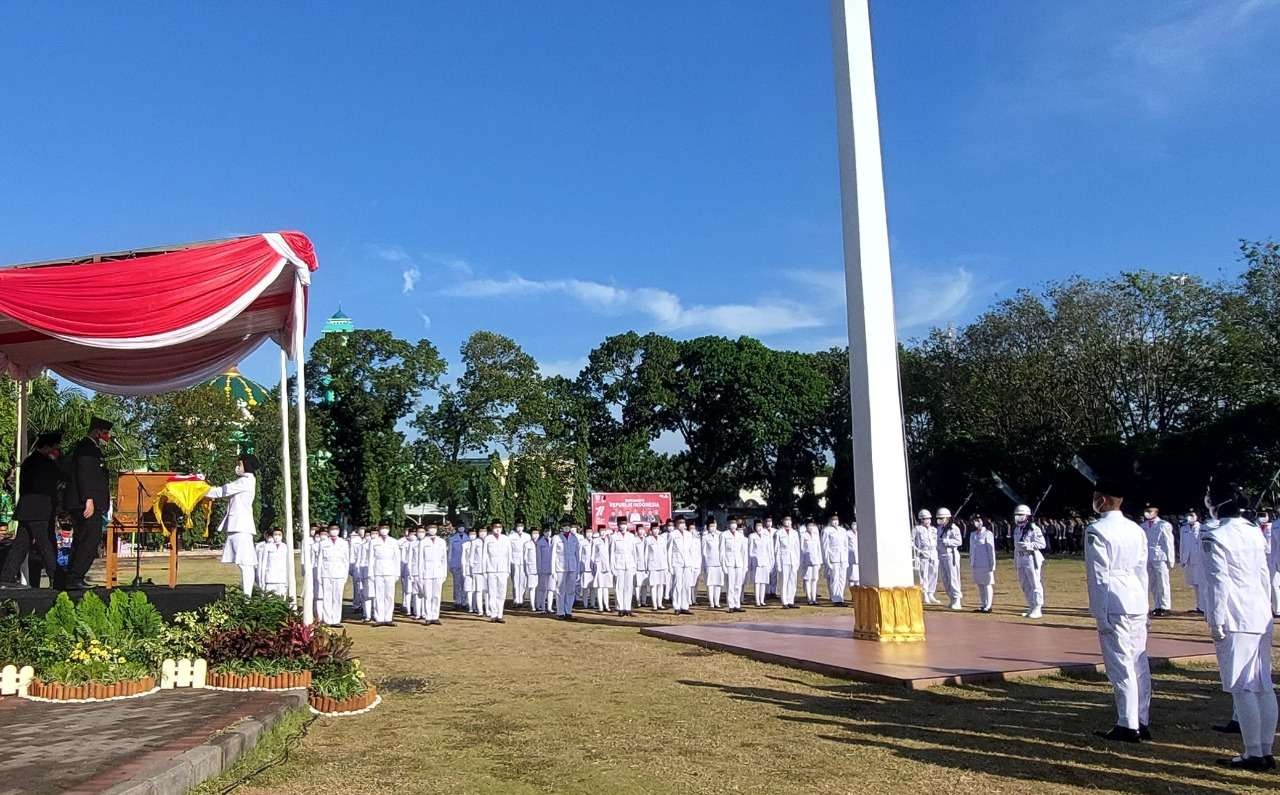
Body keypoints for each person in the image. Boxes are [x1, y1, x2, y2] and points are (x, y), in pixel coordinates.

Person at [1200, 497, 1277, 770]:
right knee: (1262, 684)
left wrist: (1217, 620)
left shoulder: (1217, 535)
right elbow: (1263, 575)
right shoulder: (1253, 532)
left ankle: (1254, 752)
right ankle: (1264, 749)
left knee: (1243, 686)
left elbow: (1219, 582)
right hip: (1258, 612)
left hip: (1236, 615)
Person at [1084, 476, 1151, 744]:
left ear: (1102, 500)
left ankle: (1127, 723)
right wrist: (1145, 606)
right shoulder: (1136, 529)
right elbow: (1142, 571)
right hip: (1135, 599)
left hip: (1113, 601)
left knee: (1120, 665)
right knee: (1138, 664)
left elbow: (1098, 576)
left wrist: (1099, 612)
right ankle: (1141, 719)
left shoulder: (1097, 530)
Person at [0, 431, 66, 590]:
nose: (57, 450)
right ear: (48, 447)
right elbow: (60, 478)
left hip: (26, 509)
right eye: (55, 447)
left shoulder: (29, 461)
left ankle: (6, 578)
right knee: (46, 544)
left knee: (20, 545)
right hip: (40, 511)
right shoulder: (46, 463)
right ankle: (56, 578)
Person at [64, 418, 113, 589]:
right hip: (85, 502)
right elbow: (85, 474)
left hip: (89, 501)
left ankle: (73, 577)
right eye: (105, 433)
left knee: (83, 539)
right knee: (89, 540)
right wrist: (88, 499)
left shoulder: (93, 448)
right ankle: (75, 576)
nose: (108, 436)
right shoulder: (86, 448)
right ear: (97, 432)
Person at [207, 454, 261, 596]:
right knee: (244, 563)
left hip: (241, 526)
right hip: (238, 526)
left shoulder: (245, 481)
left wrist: (200, 489)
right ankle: (247, 595)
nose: (237, 467)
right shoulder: (244, 481)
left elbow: (221, 491)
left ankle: (247, 597)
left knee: (246, 563)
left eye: (240, 464)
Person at [1013, 504, 1046, 619]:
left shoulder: (1034, 528)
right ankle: (1031, 605)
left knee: (1035, 583)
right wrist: (1015, 560)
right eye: (1016, 515)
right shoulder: (1017, 529)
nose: (1018, 517)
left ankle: (1038, 607)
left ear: (1027, 516)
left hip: (1032, 557)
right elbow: (1016, 547)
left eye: (1021, 515)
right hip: (1020, 558)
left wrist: (1029, 545)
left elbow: (1042, 544)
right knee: (1024, 584)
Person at [1142, 504, 1175, 617]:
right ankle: (1157, 605)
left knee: (1163, 582)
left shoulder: (1163, 525)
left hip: (1160, 557)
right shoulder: (1143, 526)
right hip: (1148, 557)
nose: (1147, 513)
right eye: (1146, 510)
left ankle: (1165, 606)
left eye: (1150, 510)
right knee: (1153, 583)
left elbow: (1168, 543)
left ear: (1156, 511)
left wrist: (1171, 559)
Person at [316, 525, 350, 627]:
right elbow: (320, 561)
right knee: (327, 597)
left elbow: (346, 561)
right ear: (329, 531)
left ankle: (336, 620)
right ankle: (327, 620)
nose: (334, 531)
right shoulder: (323, 543)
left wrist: (345, 575)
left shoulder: (343, 543)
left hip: (339, 573)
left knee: (337, 598)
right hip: (326, 573)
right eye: (332, 529)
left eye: (336, 529)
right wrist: (319, 575)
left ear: (339, 531)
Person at [368, 524, 399, 626]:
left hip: (390, 571)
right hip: (378, 570)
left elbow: (397, 558)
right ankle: (379, 618)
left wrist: (397, 573)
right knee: (379, 595)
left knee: (389, 595)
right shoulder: (374, 542)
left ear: (389, 529)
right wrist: (370, 573)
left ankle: (388, 618)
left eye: (386, 528)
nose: (384, 530)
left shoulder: (394, 542)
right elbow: (371, 559)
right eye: (382, 528)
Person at [417, 524, 447, 625]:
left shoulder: (441, 542)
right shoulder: (423, 542)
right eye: (430, 528)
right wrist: (420, 575)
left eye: (434, 528)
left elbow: (444, 559)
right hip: (427, 572)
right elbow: (420, 560)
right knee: (428, 595)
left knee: (437, 596)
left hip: (438, 571)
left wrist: (444, 573)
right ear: (427, 529)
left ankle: (435, 616)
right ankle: (428, 616)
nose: (432, 530)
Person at [936, 507, 963, 610]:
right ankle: (951, 598)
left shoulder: (954, 528)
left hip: (951, 555)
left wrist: (947, 542)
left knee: (953, 578)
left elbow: (959, 541)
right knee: (945, 579)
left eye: (942, 518)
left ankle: (957, 599)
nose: (940, 520)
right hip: (941, 556)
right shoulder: (939, 529)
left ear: (947, 518)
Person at [1178, 509, 1205, 614]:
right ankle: (1198, 606)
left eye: (1192, 515)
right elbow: (1182, 545)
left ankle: (1203, 607)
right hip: (1188, 559)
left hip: (1199, 560)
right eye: (1188, 515)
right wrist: (1182, 559)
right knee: (1194, 584)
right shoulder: (1184, 528)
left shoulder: (1202, 528)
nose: (1189, 517)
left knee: (1201, 584)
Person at [551, 523, 580, 619]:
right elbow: (553, 555)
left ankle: (568, 611)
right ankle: (560, 612)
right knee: (560, 590)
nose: (567, 528)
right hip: (560, 567)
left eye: (568, 526)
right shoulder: (556, 538)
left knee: (571, 590)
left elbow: (577, 555)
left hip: (572, 567)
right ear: (561, 527)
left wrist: (578, 570)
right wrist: (553, 570)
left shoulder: (574, 538)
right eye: (565, 526)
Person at [611, 524, 639, 616]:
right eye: (621, 525)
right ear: (618, 526)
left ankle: (627, 608)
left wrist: (635, 565)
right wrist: (613, 567)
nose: (623, 526)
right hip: (619, 564)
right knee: (619, 587)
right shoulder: (614, 537)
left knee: (629, 587)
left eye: (624, 524)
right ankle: (620, 608)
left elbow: (634, 552)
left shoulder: (631, 537)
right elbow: (611, 553)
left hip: (629, 564)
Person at [969, 515, 996, 613]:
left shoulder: (988, 534)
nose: (976, 522)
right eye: (974, 521)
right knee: (980, 584)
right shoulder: (973, 534)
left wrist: (992, 564)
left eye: (978, 520)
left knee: (987, 584)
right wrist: (971, 562)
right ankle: (983, 604)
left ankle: (988, 606)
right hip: (976, 563)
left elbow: (991, 550)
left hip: (986, 563)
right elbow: (972, 550)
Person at [912, 510, 939, 604]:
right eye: (925, 519)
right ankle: (925, 594)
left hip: (933, 552)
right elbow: (911, 542)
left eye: (928, 518)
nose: (927, 520)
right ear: (921, 519)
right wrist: (918, 551)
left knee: (934, 573)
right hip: (923, 553)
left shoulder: (934, 529)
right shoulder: (917, 529)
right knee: (924, 575)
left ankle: (931, 593)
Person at [821, 516, 849, 606]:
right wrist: (827, 561)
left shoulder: (843, 530)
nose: (835, 521)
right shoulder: (826, 531)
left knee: (842, 579)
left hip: (843, 558)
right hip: (834, 558)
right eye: (833, 520)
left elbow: (846, 546)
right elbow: (825, 547)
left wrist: (846, 559)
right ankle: (836, 599)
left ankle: (840, 597)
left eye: (836, 520)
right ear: (830, 521)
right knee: (835, 579)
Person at [721, 520, 748, 612]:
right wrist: (723, 565)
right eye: (732, 523)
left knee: (738, 585)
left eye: (735, 523)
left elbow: (743, 552)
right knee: (730, 585)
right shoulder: (724, 535)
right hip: (729, 563)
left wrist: (745, 565)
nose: (733, 525)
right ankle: (731, 605)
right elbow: (722, 552)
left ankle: (737, 604)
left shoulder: (740, 536)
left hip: (739, 562)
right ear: (728, 525)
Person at [775, 519, 801, 608]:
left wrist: (797, 561)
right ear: (783, 521)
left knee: (793, 581)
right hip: (784, 560)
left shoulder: (795, 533)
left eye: (789, 520)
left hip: (793, 559)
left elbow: (797, 549)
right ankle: (784, 602)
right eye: (786, 520)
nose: (788, 522)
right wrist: (778, 563)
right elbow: (777, 550)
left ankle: (791, 600)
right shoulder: (779, 533)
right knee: (784, 581)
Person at [257, 528, 290, 597]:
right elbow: (263, 564)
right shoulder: (267, 546)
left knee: (282, 599)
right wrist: (262, 580)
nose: (277, 536)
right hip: (270, 579)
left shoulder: (285, 547)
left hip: (282, 579)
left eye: (279, 534)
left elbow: (287, 564)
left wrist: (287, 581)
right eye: (275, 534)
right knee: (270, 599)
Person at [750, 523, 775, 607]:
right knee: (757, 582)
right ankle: (757, 601)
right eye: (757, 526)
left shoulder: (767, 537)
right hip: (756, 562)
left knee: (764, 582)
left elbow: (770, 551)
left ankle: (762, 600)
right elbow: (750, 551)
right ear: (754, 527)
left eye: (760, 526)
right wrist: (750, 563)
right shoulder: (752, 536)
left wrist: (771, 562)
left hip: (765, 562)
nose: (759, 528)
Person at [702, 520, 726, 609]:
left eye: (714, 525)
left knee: (718, 583)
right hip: (710, 563)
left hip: (719, 563)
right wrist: (705, 564)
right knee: (710, 584)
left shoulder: (720, 535)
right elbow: (703, 552)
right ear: (708, 527)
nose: (713, 527)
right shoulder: (705, 537)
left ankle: (717, 602)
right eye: (711, 526)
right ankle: (711, 603)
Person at [645, 524, 669, 610]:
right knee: (653, 585)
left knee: (661, 585)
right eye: (654, 529)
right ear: (651, 530)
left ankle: (660, 604)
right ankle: (654, 605)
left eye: (657, 529)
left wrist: (666, 566)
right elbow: (646, 554)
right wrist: (646, 566)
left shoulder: (662, 539)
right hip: (652, 565)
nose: (656, 530)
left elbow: (665, 553)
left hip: (662, 564)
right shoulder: (648, 540)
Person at [591, 525, 613, 612]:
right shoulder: (596, 541)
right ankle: (600, 606)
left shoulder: (609, 540)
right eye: (601, 531)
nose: (603, 532)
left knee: (606, 587)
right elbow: (592, 554)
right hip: (599, 565)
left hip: (607, 565)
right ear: (599, 532)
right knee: (599, 586)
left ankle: (607, 606)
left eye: (604, 530)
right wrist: (593, 565)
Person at [463, 527, 484, 615]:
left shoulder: (481, 542)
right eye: (471, 534)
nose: (473, 536)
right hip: (468, 568)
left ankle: (477, 607)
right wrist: (464, 569)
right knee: (469, 589)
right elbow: (464, 559)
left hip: (479, 568)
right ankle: (471, 607)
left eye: (474, 534)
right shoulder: (465, 544)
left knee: (478, 589)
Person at [509, 523, 530, 607]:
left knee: (523, 581)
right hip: (514, 560)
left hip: (524, 560)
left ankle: (522, 599)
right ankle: (516, 599)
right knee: (515, 581)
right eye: (518, 526)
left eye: (521, 526)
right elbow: (509, 549)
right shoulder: (511, 536)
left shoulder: (527, 536)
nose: (520, 528)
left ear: (523, 527)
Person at [448, 524, 467, 608]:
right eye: (460, 526)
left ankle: (464, 601)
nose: (461, 528)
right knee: (457, 584)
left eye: (462, 526)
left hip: (466, 565)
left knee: (465, 583)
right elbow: (450, 553)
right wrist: (449, 565)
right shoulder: (452, 539)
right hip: (456, 564)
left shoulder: (469, 538)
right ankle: (457, 601)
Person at [535, 526, 554, 613]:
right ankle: (542, 607)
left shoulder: (553, 541)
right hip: (543, 568)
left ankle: (549, 607)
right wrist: (539, 569)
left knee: (551, 588)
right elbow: (538, 557)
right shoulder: (540, 542)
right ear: (543, 532)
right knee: (543, 589)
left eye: (549, 531)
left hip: (552, 568)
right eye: (546, 531)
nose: (548, 533)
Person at [845, 519, 860, 589]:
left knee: (858, 578)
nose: (854, 526)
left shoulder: (859, 533)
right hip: (850, 557)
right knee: (851, 577)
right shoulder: (847, 533)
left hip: (858, 557)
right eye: (853, 524)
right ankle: (852, 594)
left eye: (855, 524)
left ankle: (857, 594)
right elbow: (845, 545)